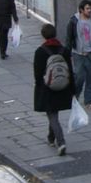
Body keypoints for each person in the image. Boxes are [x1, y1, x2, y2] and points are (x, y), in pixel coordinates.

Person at [33, 23, 74, 156]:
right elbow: (71, 71)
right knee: (53, 113)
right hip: (63, 88)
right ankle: (51, 137)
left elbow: (38, 74)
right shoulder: (64, 51)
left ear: (43, 35)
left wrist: (39, 87)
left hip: (47, 89)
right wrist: (73, 89)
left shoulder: (40, 52)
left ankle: (61, 142)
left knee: (52, 115)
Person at [65, 0, 91, 110]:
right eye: (87, 8)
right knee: (79, 77)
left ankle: (88, 101)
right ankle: (75, 97)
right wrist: (67, 54)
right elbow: (69, 38)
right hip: (78, 53)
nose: (90, 10)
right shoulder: (74, 21)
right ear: (81, 10)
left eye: (90, 8)